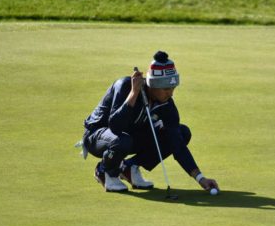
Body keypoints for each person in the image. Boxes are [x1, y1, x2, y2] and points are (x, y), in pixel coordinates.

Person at [81, 51, 219, 193]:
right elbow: (116, 126)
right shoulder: (125, 86)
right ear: (152, 84)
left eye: (173, 88)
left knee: (182, 133)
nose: (170, 93)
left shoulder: (166, 105)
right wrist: (134, 93)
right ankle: (105, 171)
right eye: (166, 89)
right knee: (123, 140)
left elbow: (178, 145)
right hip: (96, 136)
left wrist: (200, 178)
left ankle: (129, 167)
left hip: (127, 137)